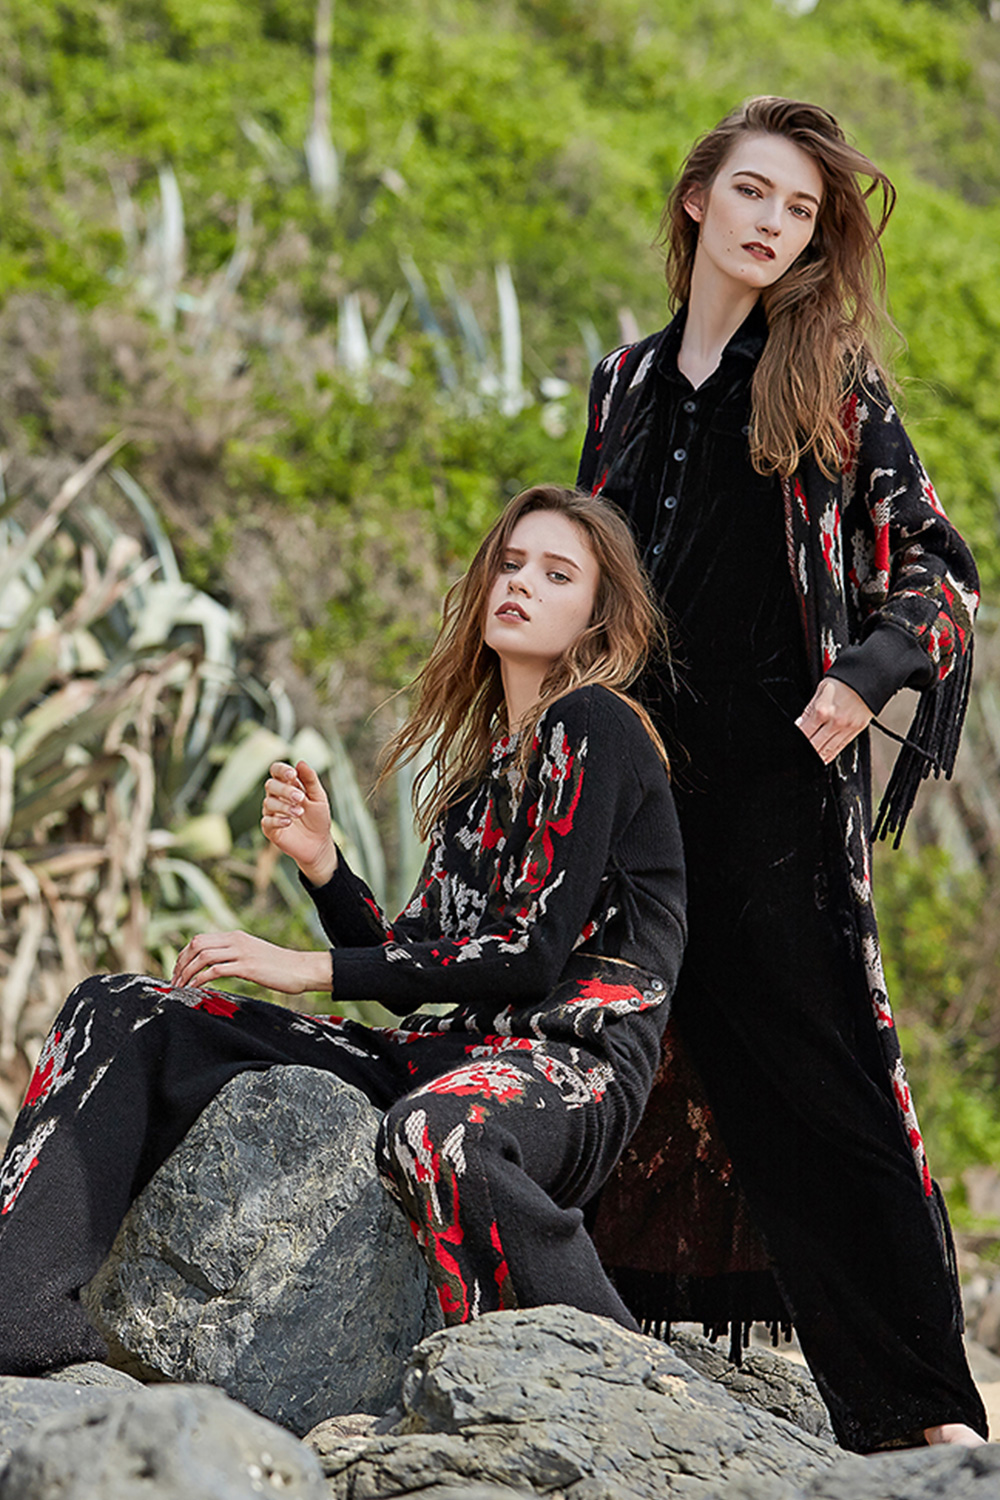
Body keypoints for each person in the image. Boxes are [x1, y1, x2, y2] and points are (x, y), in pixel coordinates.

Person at [0, 484, 686, 1377]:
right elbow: (415, 966)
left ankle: (631, 1380)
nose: (521, 583)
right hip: (450, 1052)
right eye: (511, 564)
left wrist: (303, 967)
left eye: (557, 575)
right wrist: (327, 869)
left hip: (568, 1067)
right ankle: (19, 1312)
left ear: (598, 616)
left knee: (438, 1133)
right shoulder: (484, 780)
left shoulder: (596, 722)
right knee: (121, 1007)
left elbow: (530, 955)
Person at [576, 96, 986, 1452]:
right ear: (697, 199)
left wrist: (861, 676)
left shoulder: (828, 377)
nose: (774, 222)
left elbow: (940, 577)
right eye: (753, 192)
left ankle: (923, 1417)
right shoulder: (621, 386)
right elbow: (589, 582)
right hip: (636, 788)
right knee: (602, 1039)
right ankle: (567, 1340)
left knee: (826, 1087)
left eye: (801, 209)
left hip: (777, 790)